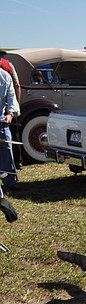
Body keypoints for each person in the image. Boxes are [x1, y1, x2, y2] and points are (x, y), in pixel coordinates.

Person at [0, 65, 19, 223]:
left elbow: (12, 99)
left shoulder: (4, 77)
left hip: (1, 123)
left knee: (7, 150)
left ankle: (10, 182)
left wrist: (10, 115)